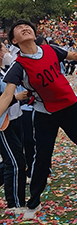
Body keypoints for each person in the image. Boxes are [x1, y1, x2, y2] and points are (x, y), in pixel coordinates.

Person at [0, 20, 77, 220]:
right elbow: (6, 96)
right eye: (19, 29)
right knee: (41, 157)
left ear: (35, 33)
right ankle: (34, 202)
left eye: (28, 27)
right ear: (14, 40)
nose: (25, 28)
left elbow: (76, 56)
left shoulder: (50, 49)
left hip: (71, 107)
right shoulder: (18, 66)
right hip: (45, 113)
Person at [0, 44, 28, 215]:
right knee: (16, 162)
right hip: (3, 123)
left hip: (15, 118)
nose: (7, 53)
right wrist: (15, 98)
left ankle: (16, 200)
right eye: (3, 50)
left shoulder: (5, 72)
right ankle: (14, 204)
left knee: (14, 160)